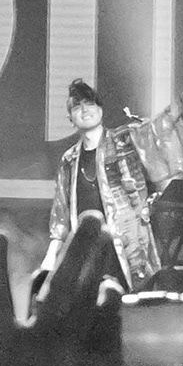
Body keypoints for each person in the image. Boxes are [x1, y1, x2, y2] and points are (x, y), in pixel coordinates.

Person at [43, 79, 108, 269]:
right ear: (71, 119)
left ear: (100, 110)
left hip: (123, 248)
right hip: (85, 251)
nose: (85, 109)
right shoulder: (69, 160)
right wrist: (51, 256)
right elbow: (61, 213)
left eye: (89, 103)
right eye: (77, 107)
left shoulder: (123, 146)